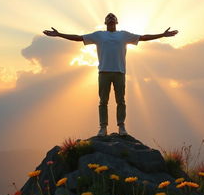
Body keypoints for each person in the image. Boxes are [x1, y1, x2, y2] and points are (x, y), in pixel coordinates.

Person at [43, 13, 178, 136]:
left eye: (113, 19)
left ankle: (121, 127)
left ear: (116, 22)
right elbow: (79, 38)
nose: (111, 20)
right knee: (103, 102)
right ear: (106, 22)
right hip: (104, 72)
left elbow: (143, 37)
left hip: (119, 72)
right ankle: (103, 127)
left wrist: (162, 35)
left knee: (121, 101)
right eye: (109, 19)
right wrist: (59, 34)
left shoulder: (123, 35)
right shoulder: (99, 35)